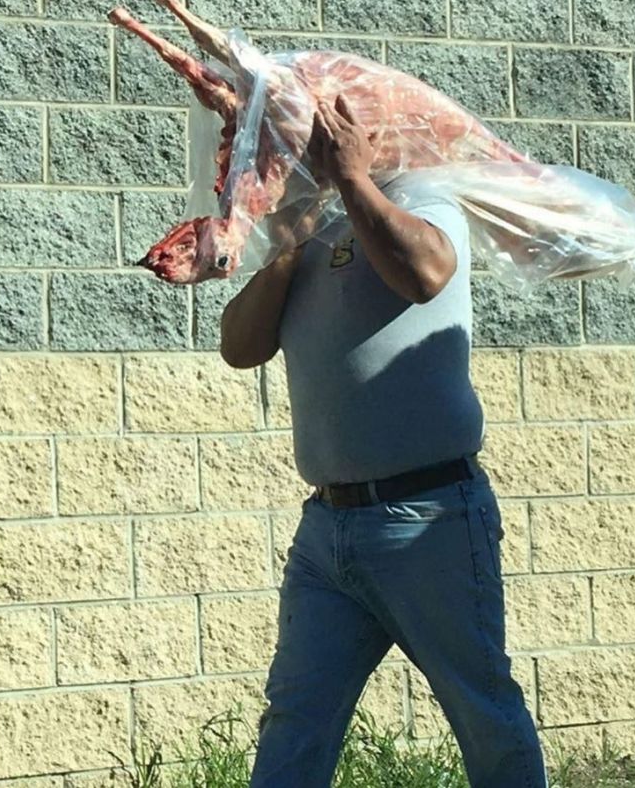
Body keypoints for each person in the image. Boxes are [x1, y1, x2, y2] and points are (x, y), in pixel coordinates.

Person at [220, 94, 548, 788]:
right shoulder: (307, 229)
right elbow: (239, 346)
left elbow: (425, 272)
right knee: (295, 718)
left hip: (426, 518)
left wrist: (355, 181)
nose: (298, 153)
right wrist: (285, 246)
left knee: (482, 712)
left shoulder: (422, 197)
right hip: (326, 529)